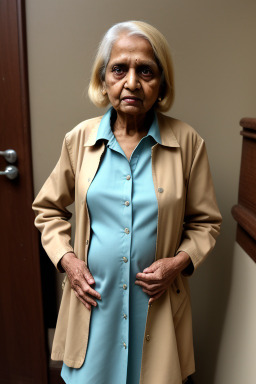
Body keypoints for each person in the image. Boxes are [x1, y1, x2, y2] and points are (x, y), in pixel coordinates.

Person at [32, 21, 222, 384]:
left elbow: (206, 223)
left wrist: (177, 263)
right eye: (119, 69)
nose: (132, 82)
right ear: (103, 79)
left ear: (162, 84)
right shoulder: (79, 140)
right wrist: (68, 261)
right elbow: (47, 209)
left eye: (145, 71)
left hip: (156, 305)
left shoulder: (188, 143)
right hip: (94, 304)